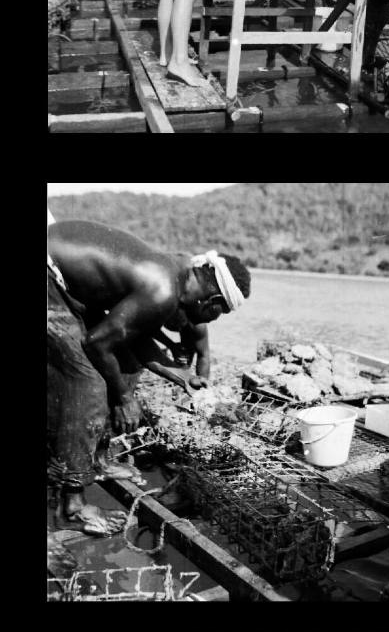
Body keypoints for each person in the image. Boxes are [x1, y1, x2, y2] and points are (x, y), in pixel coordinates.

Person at [47, 216, 251, 533]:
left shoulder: (174, 274)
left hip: (65, 280)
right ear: (211, 302)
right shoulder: (164, 289)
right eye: (218, 313)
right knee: (87, 382)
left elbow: (134, 338)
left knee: (127, 367)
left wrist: (183, 376)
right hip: (51, 275)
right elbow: (97, 343)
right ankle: (72, 507)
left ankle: (96, 460)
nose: (211, 319)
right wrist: (125, 400)